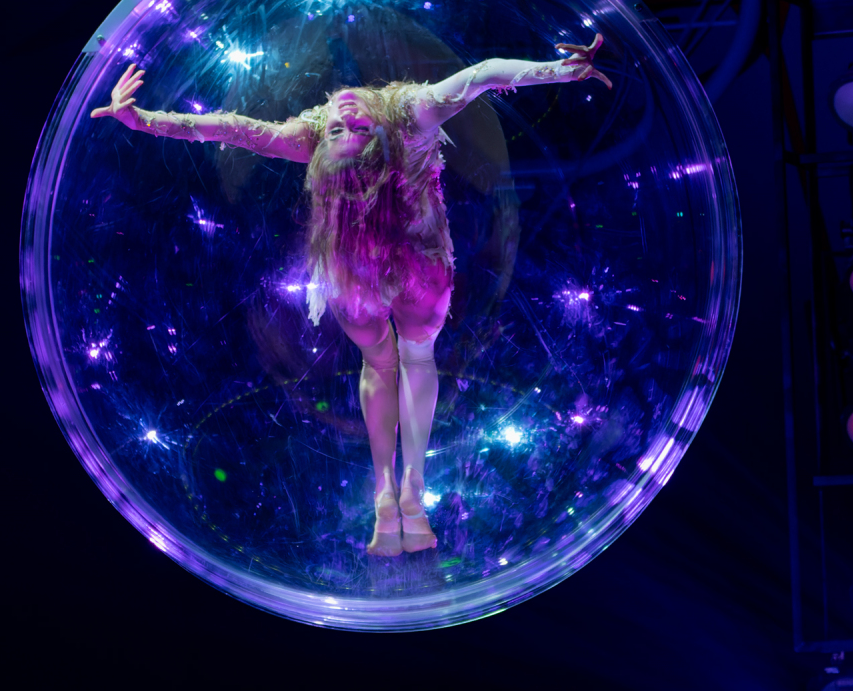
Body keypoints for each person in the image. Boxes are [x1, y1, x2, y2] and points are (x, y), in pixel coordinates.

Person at [91, 36, 612, 556]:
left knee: (380, 363)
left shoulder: (312, 135)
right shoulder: (411, 115)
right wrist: (560, 71)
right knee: (415, 358)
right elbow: (484, 73)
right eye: (352, 129)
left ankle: (389, 489)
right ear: (383, 137)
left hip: (353, 270)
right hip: (419, 264)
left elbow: (230, 128)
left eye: (346, 129)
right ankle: (409, 488)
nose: (343, 118)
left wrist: (143, 121)